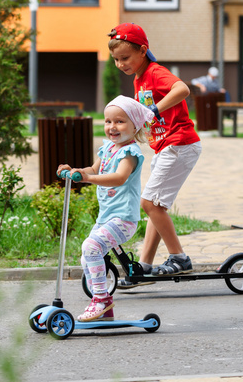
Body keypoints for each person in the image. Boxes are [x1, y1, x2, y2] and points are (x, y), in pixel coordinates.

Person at [107, 22, 202, 287]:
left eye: (125, 58)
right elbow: (142, 120)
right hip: (166, 146)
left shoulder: (154, 72)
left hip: (180, 143)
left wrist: (154, 111)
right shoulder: (139, 78)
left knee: (149, 203)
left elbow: (182, 90)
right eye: (116, 60)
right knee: (155, 206)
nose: (120, 64)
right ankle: (144, 267)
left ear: (143, 51)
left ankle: (179, 258)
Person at [56, 95, 154, 322]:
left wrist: (89, 178)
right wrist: (75, 171)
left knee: (91, 247)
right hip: (106, 217)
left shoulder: (130, 153)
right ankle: (104, 310)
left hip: (124, 219)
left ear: (134, 125)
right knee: (86, 257)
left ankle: (101, 299)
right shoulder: (108, 147)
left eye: (120, 121)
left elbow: (119, 178)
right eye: (108, 121)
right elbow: (92, 168)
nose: (112, 127)